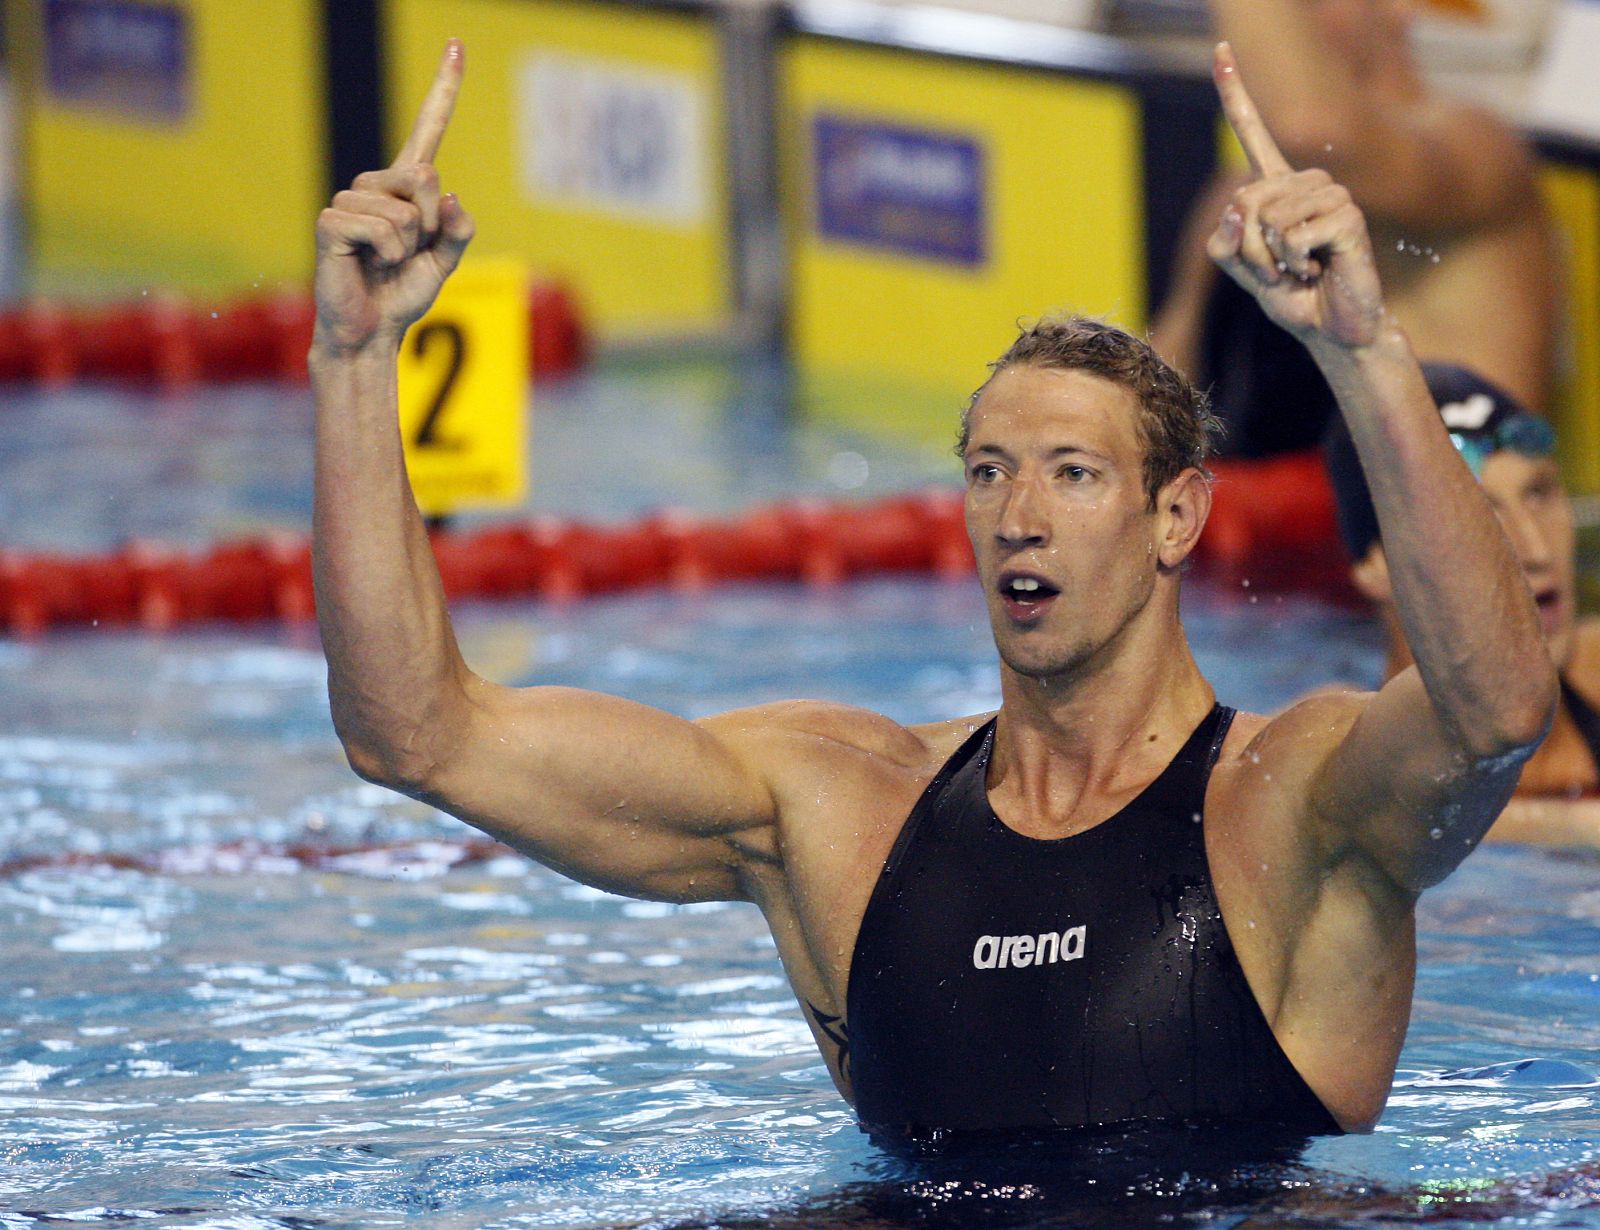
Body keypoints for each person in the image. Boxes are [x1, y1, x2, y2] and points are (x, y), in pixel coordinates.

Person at [309, 39, 1554, 1148]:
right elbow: (414, 733)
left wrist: (1361, 350)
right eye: (989, 473)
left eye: (1073, 474)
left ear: (1175, 515)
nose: (1019, 514)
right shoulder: (834, 809)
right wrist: (355, 361)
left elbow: (1494, 710)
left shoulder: (1293, 803)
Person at [1151, 0, 1559, 458]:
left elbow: (1315, 131)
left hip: (1444, 518)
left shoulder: (1473, 150)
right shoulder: (1237, 193)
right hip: (1263, 513)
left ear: (1399, 7)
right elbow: (1156, 397)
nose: (1289, 26)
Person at [1323, 364, 1600, 845]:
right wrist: (1571, 828)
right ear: (1378, 565)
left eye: (1538, 493)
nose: (1535, 550)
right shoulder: (1330, 743)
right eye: (1479, 514)